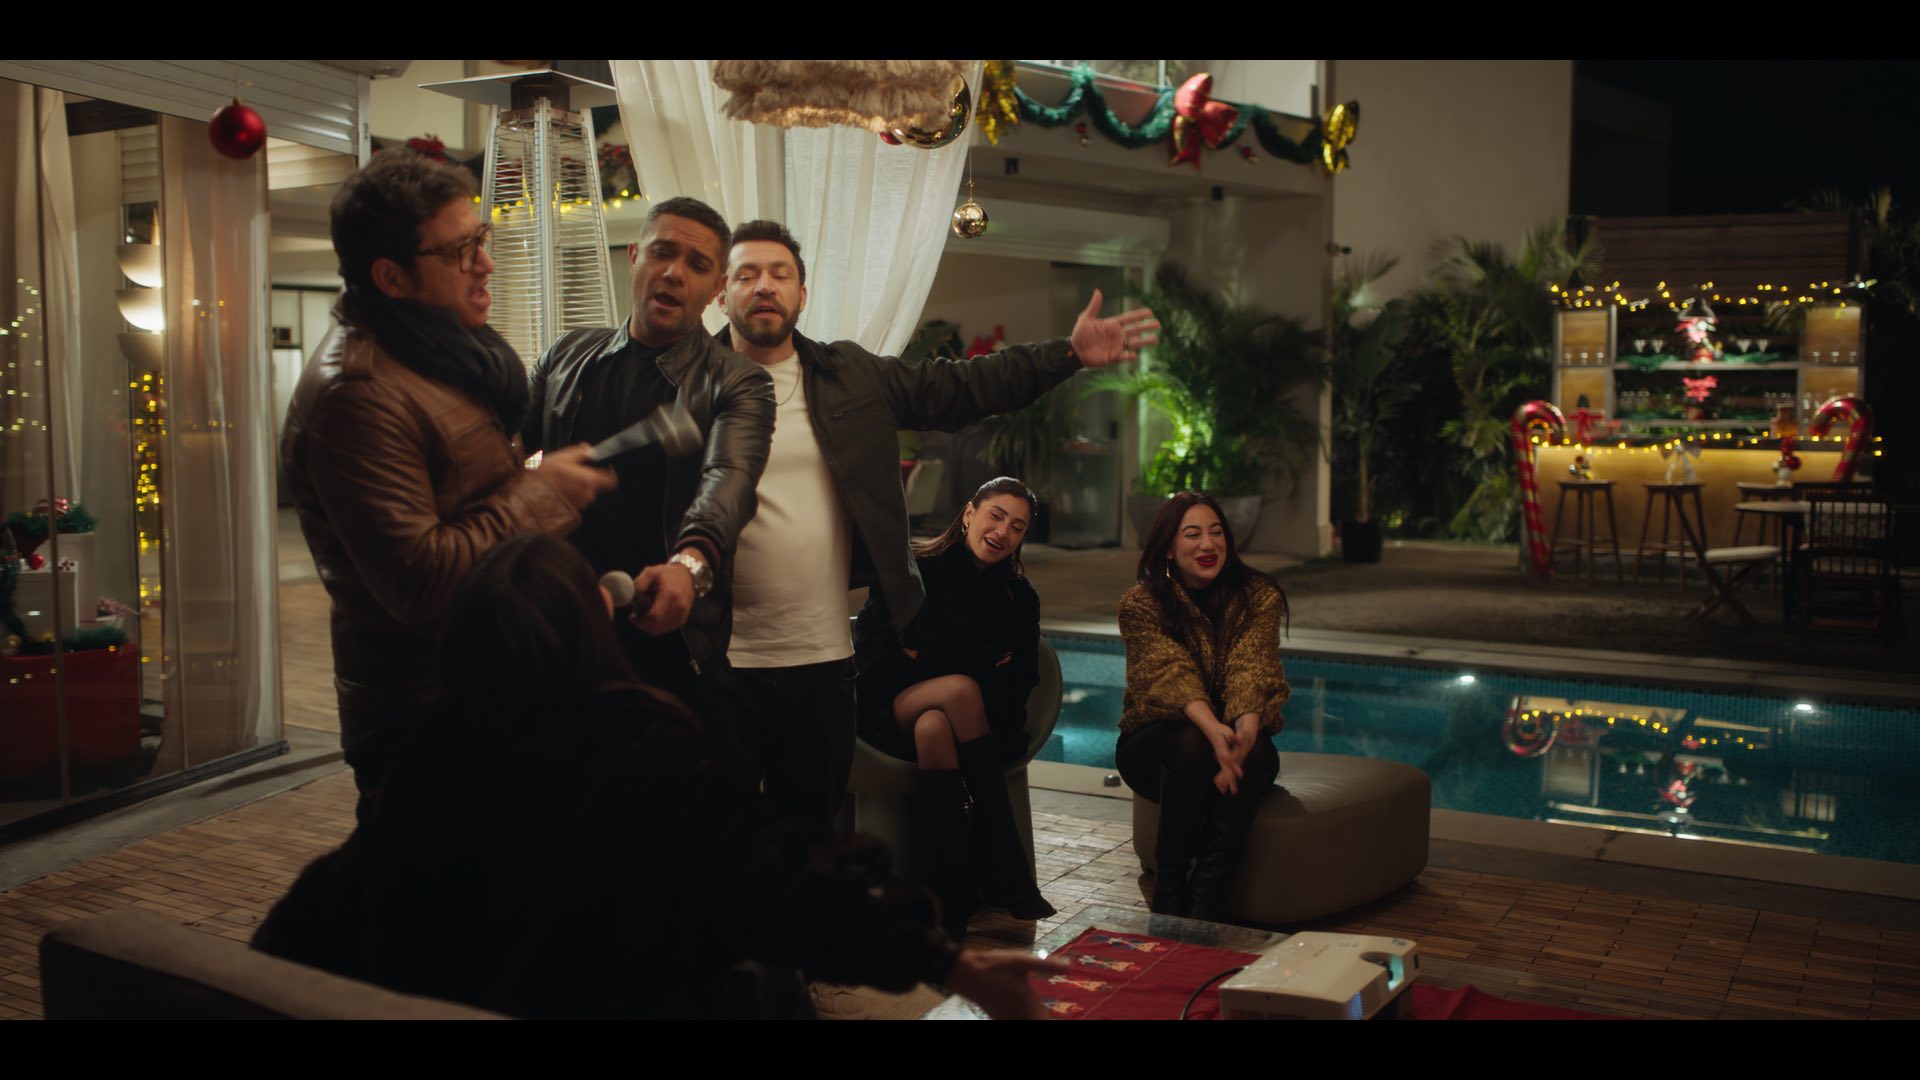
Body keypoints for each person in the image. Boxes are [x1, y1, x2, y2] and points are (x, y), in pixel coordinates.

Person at [251, 533, 1065, 1020]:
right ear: (586, 630)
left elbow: (332, 902)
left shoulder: (434, 751)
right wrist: (948, 961)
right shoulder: (637, 745)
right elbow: (772, 881)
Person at [718, 219, 1158, 826]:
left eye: (780, 274)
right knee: (717, 835)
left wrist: (1067, 354)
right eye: (746, 274)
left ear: (803, 293)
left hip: (819, 656)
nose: (764, 286)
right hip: (717, 658)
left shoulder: (852, 376)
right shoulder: (687, 382)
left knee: (810, 832)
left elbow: (964, 386)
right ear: (722, 294)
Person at [281, 150, 614, 819]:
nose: (484, 263)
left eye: (480, 238)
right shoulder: (359, 393)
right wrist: (542, 492)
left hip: (489, 682)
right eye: (459, 251)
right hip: (427, 714)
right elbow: (421, 580)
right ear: (391, 276)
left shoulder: (438, 352)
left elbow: (466, 498)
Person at [523, 196, 774, 713]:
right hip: (556, 619)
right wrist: (531, 478)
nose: (674, 273)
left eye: (697, 265)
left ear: (716, 289)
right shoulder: (565, 357)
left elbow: (729, 480)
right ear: (635, 257)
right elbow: (498, 454)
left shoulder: (738, 381)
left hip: (664, 628)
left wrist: (689, 565)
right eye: (662, 253)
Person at [854, 478, 1054, 939]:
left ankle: (946, 901)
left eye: (1017, 526)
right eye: (996, 516)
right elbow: (875, 657)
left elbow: (1021, 680)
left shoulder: (1019, 596)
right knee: (961, 690)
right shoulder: (914, 571)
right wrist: (969, 664)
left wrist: (928, 656)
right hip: (888, 708)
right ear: (968, 514)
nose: (1002, 532)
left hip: (967, 725)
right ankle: (1009, 873)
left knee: (935, 727)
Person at [1116, 492, 1290, 920]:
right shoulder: (1141, 603)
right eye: (1192, 534)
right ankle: (1170, 886)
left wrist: (1244, 733)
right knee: (1193, 740)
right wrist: (1214, 732)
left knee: (1258, 751)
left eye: (1216, 532)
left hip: (1231, 742)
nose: (1208, 544)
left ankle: (1207, 893)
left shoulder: (1257, 595)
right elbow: (1169, 674)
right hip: (1156, 748)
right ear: (1168, 548)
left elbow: (1252, 667)